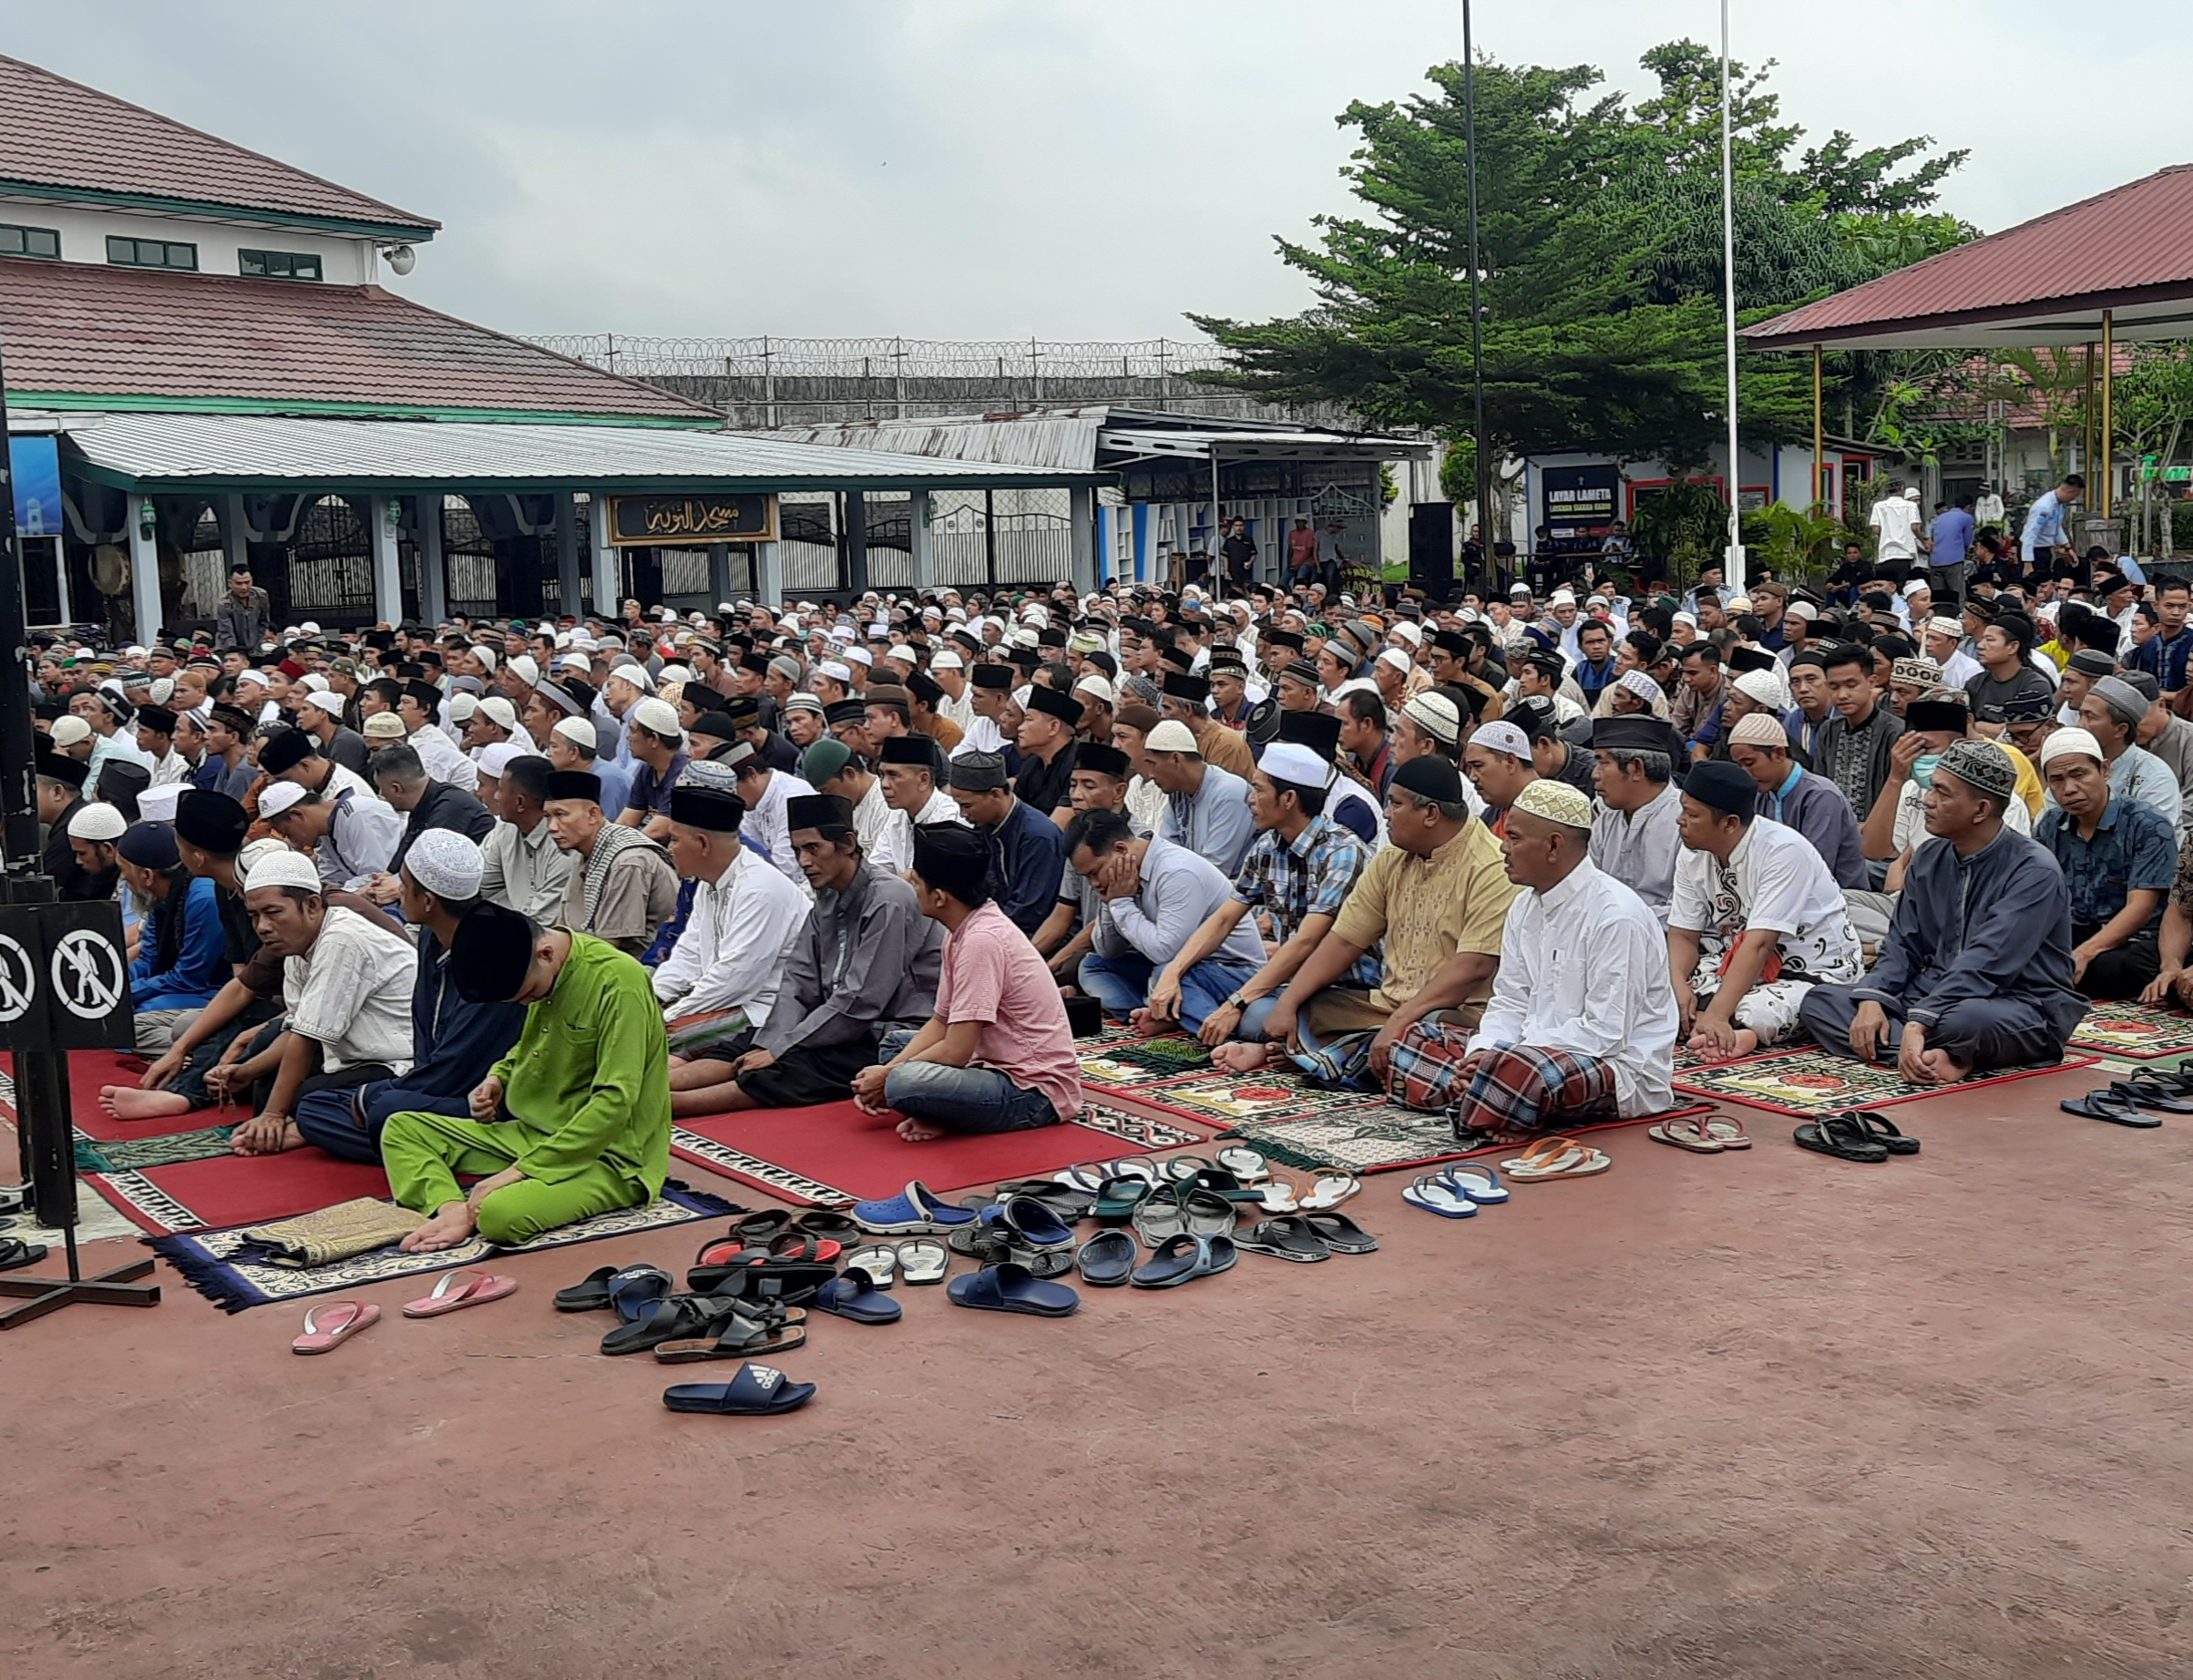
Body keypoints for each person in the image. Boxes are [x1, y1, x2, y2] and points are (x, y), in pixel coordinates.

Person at [1383, 778, 1678, 1132]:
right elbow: (1509, 1000)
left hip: (1613, 1066)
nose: (1503, 848)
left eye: (1514, 838)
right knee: (1419, 1038)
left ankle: (1480, 1097)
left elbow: (1605, 1033)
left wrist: (1504, 1057)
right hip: (1522, 1052)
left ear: (1553, 846)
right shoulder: (1523, 906)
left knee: (1524, 1073)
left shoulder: (1616, 915)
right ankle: (1487, 1100)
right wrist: (1484, 1051)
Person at [384, 904, 672, 1252]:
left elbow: (615, 1100)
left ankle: (476, 1209)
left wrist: (518, 1172)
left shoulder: (618, 982)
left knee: (498, 1214)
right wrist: (498, 1077)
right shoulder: (544, 973)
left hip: (610, 1156)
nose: (526, 1005)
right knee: (400, 1129)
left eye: (528, 996)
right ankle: (451, 1211)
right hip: (532, 1134)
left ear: (546, 953)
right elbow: (527, 1045)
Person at [1798, 739, 2084, 1081]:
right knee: (1820, 1000)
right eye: (1931, 789)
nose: (1927, 801)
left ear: (1980, 810)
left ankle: (1915, 1043)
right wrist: (1874, 997)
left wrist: (1921, 1019)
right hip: (1930, 993)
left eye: (1942, 793)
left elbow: (1989, 962)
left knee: (1964, 1022)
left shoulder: (2034, 871)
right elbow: (1902, 943)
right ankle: (1939, 1056)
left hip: (2017, 1002)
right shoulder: (1929, 857)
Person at [666, 794, 942, 1116]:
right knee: (749, 1042)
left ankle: (673, 1105)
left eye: (813, 849)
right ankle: (655, 1087)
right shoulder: (825, 895)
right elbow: (798, 980)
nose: (804, 861)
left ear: (848, 844)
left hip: (892, 1028)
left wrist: (784, 1046)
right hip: (835, 1019)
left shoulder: (889, 898)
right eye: (797, 850)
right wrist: (772, 1041)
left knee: (798, 1064)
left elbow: (862, 999)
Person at [1262, 754, 1517, 1077]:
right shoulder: (1392, 857)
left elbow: (1473, 968)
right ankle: (1334, 1056)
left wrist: (1399, 1022)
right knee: (1271, 1011)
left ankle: (1325, 1056)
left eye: (1395, 804)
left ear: (1430, 814)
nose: (1385, 813)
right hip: (1383, 1007)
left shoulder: (1490, 867)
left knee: (1420, 1037)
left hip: (1450, 1016)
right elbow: (1343, 941)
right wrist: (1289, 1002)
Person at [289, 831, 528, 1163]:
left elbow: (458, 1065)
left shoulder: (493, 957)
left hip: (483, 1097)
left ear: (428, 901)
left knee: (382, 1108)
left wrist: (373, 1097)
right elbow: (424, 1030)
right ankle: (421, 1140)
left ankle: (445, 1144)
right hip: (432, 1087)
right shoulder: (432, 936)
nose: (398, 891)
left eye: (403, 883)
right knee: (315, 1105)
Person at [1145, 742, 1380, 1072]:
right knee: (1166, 976)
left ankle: (1225, 1029)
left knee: (1256, 1015)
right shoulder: (1268, 847)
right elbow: (1224, 919)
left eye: (1258, 789)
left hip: (1340, 991)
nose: (1249, 798)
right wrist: (1174, 972)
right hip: (1284, 983)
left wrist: (1236, 1002)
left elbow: (1306, 942)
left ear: (1288, 799)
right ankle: (1224, 1033)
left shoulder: (1342, 851)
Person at [850, 823, 1082, 1141]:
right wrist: (889, 1070)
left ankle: (944, 1110)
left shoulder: (980, 941)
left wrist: (887, 1076)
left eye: (916, 881)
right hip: (987, 1062)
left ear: (940, 897)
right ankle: (944, 1109)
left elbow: (956, 1051)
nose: (909, 886)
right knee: (895, 1045)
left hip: (1032, 1090)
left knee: (903, 1082)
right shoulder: (962, 928)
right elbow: (940, 1021)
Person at [205, 849, 420, 1155]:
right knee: (268, 1080)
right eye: (255, 916)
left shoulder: (342, 937)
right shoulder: (296, 946)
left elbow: (306, 1037)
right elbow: (297, 1028)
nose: (262, 926)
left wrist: (273, 1115)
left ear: (312, 905)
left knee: (307, 1101)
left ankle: (304, 1128)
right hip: (352, 1059)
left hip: (399, 1065)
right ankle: (299, 1126)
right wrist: (248, 1070)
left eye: (273, 912)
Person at [1666, 759, 1865, 1060]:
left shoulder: (1783, 851)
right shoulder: (1692, 851)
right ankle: (1725, 1026)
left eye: (1692, 814)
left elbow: (1760, 944)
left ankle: (1743, 1033)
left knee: (1760, 1010)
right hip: (1736, 964)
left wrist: (1718, 1015)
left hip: (1811, 970)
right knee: (1665, 993)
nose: (1680, 820)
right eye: (1683, 809)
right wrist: (1677, 986)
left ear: (1730, 823)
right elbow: (1683, 935)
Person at [1067, 806, 1268, 1032]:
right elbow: (1107, 951)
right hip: (1173, 970)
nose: (1093, 883)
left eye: (1096, 872)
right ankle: (1151, 1013)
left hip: (1227, 972)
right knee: (1093, 965)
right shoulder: (1120, 882)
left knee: (1164, 973)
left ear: (1121, 849)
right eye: (1088, 877)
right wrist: (1110, 903)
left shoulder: (1176, 871)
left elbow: (1166, 952)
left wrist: (1121, 904)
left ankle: (1208, 1029)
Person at [651, 768, 808, 1050]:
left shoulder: (760, 888)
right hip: (720, 999)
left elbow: (735, 981)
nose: (669, 849)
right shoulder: (708, 883)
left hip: (763, 1011)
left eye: (674, 840)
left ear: (702, 844)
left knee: (654, 1040)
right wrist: (652, 999)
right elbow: (689, 954)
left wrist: (665, 1017)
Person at [2033, 728, 2174, 1000]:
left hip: (2134, 939)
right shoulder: (2050, 825)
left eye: (2079, 774)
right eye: (2057, 780)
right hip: (2074, 932)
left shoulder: (2147, 824)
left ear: (2104, 770)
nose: (2069, 788)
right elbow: (2036, 894)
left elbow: (2141, 908)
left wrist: (2085, 952)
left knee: (2117, 966)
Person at [542, 768, 681, 956]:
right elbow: (563, 927)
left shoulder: (628, 861)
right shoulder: (586, 850)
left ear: (593, 814)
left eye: (561, 815)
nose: (551, 827)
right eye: (547, 817)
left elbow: (607, 948)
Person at [1727, 711, 1866, 888]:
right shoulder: (1761, 795)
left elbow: (1815, 868)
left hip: (1839, 898)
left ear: (1778, 753)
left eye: (1750, 763)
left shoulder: (1820, 796)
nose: (1744, 773)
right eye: (1739, 765)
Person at [119, 820, 226, 1053]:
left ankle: (209, 1048)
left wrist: (128, 995)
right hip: (178, 987)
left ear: (146, 875)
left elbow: (190, 978)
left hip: (212, 991)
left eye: (124, 870)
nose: (124, 879)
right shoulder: (158, 895)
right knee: (124, 1015)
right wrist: (116, 989)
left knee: (130, 1024)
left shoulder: (203, 897)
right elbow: (148, 959)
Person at [948, 750, 1068, 937]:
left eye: (967, 806)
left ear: (995, 794)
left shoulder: (1038, 836)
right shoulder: (985, 825)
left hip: (1033, 936)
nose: (963, 814)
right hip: (996, 925)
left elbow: (1029, 912)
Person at [1587, 715, 1683, 923]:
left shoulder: (1685, 822)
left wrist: (1619, 921)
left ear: (1636, 769)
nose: (1595, 774)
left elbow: (1686, 913)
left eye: (1603, 763)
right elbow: (1587, 887)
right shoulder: (1606, 821)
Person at [2071, 675, 2184, 843]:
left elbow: (2153, 843)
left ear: (2120, 729)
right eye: (2080, 715)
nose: (2080, 725)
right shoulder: (2069, 766)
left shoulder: (2156, 777)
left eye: (2090, 717)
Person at [1141, 718, 1256, 876]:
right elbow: (1166, 851)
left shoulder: (1228, 792)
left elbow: (1215, 870)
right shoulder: (1177, 792)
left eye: (1152, 764)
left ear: (1176, 759)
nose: (1150, 774)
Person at [477, 753, 576, 925]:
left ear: (520, 802)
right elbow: (479, 883)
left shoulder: (564, 845)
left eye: (501, 790)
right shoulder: (506, 828)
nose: (496, 797)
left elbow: (543, 923)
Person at [1816, 643, 1905, 833]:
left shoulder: (1895, 732)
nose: (1842, 695)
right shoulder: (1828, 731)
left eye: (1851, 685)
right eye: (1834, 686)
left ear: (1871, 682)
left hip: (1880, 839)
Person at [255, 778, 405, 887]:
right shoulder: (323, 832)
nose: (292, 841)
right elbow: (332, 878)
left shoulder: (359, 814)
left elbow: (376, 877)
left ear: (297, 815)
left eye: (287, 832)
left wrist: (340, 893)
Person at [2131, 578, 2193, 699]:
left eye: (2182, 607)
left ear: (2189, 606)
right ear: (2156, 606)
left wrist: (2158, 695)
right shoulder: (2149, 644)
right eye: (2169, 606)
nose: (2176, 612)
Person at [2019, 473, 2083, 571]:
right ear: (2069, 491)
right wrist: (2027, 562)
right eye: (2073, 497)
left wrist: (2067, 546)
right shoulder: (2044, 506)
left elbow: (2056, 526)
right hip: (2034, 550)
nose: (2072, 500)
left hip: (2045, 549)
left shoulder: (2059, 505)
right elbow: (2030, 533)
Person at [215, 568, 272, 650]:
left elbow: (264, 621)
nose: (244, 587)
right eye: (239, 583)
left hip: (256, 644)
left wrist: (257, 643)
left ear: (252, 581)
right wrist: (235, 651)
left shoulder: (261, 596)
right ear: (230, 583)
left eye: (247, 582)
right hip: (229, 646)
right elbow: (226, 631)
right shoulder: (224, 602)